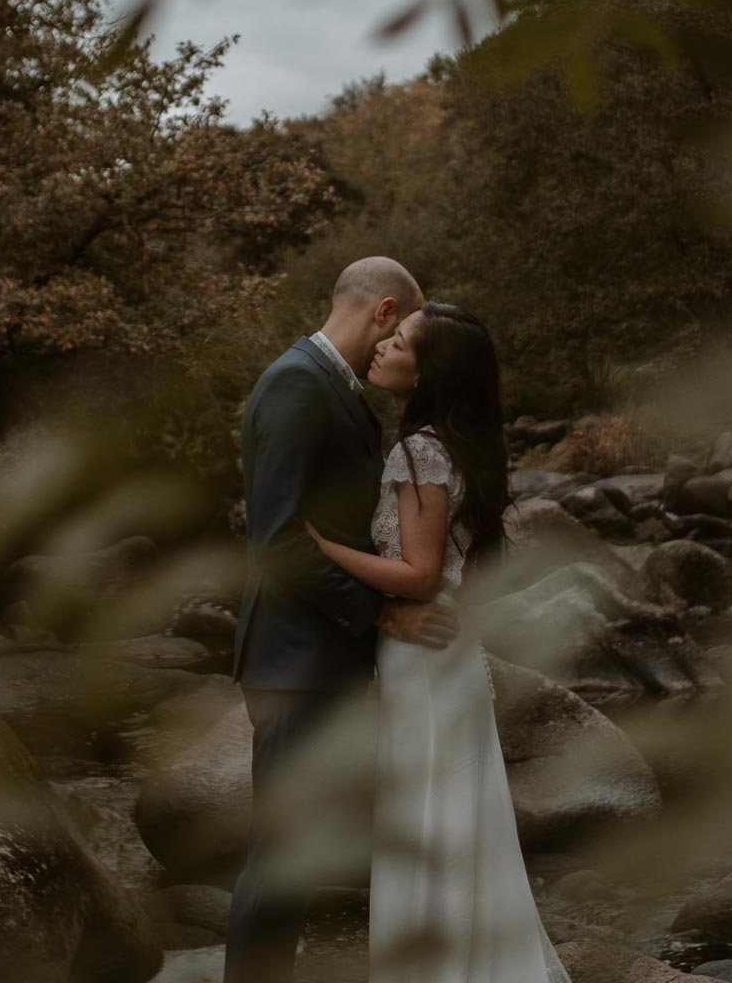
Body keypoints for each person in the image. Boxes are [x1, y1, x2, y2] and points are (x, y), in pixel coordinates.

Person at [304, 301, 573, 983]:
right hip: (441, 656)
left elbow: (420, 576)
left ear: (430, 372)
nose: (383, 346)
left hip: (426, 659)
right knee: (452, 816)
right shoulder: (451, 445)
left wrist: (325, 547)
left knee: (430, 820)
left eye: (399, 340)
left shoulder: (420, 449)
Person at [227, 257, 455, 983]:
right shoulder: (298, 385)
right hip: (296, 662)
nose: (398, 350)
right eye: (403, 330)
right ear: (384, 312)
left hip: (318, 658)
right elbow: (277, 542)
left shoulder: (331, 386)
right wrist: (383, 612)